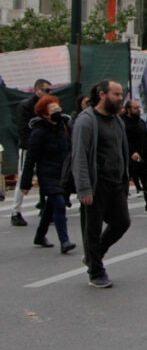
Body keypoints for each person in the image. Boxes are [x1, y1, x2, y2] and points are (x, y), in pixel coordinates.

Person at [72, 80, 131, 288]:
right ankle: (96, 271)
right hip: (96, 184)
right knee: (92, 230)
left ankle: (93, 255)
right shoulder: (86, 120)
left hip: (116, 183)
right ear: (102, 94)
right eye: (116, 94)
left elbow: (122, 151)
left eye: (120, 94)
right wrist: (84, 188)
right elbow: (79, 156)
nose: (119, 98)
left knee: (122, 222)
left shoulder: (117, 120)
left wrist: (125, 180)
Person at [21, 94, 76, 253]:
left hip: (62, 174)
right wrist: (26, 183)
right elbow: (30, 159)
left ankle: (40, 235)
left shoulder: (64, 127)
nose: (58, 111)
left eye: (58, 108)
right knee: (59, 204)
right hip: (47, 175)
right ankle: (64, 241)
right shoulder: (38, 133)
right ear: (45, 114)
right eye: (53, 110)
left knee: (51, 206)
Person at [12, 78, 51, 227]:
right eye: (47, 90)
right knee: (23, 177)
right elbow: (23, 129)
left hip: (41, 147)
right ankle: (16, 211)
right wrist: (30, 146)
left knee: (46, 176)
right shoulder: (26, 106)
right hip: (28, 147)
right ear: (38, 90)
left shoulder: (46, 106)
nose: (49, 93)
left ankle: (45, 206)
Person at [122, 99, 147, 211]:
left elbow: (146, 138)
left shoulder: (141, 121)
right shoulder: (123, 122)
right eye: (135, 108)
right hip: (128, 157)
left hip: (142, 157)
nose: (138, 110)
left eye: (139, 108)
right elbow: (123, 140)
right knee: (124, 182)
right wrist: (131, 152)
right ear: (128, 110)